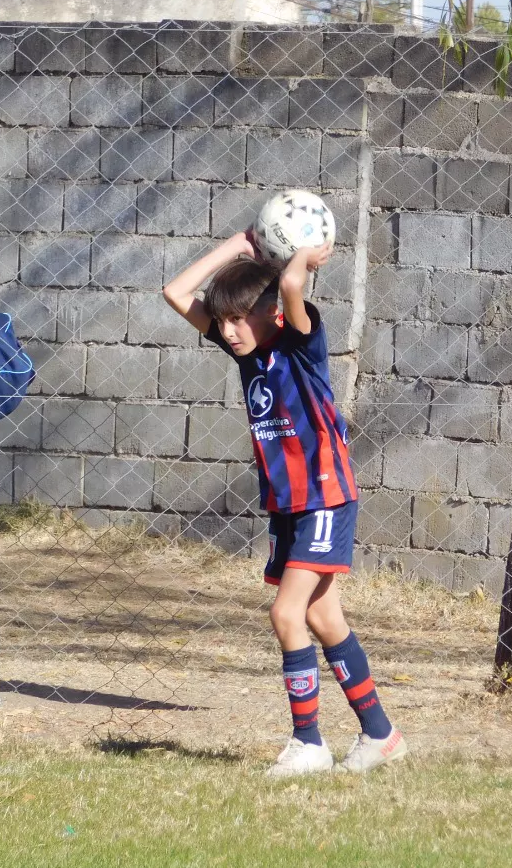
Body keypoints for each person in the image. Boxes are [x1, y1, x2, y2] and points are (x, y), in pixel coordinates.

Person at [161, 233, 407, 777]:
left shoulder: (298, 343)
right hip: (289, 505)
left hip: (324, 496)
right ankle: (381, 734)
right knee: (321, 615)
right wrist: (237, 244)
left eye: (238, 319)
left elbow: (293, 284)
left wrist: (299, 258)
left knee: (285, 613)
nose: (227, 330)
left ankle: (309, 742)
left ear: (272, 315)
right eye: (221, 321)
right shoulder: (245, 353)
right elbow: (176, 291)